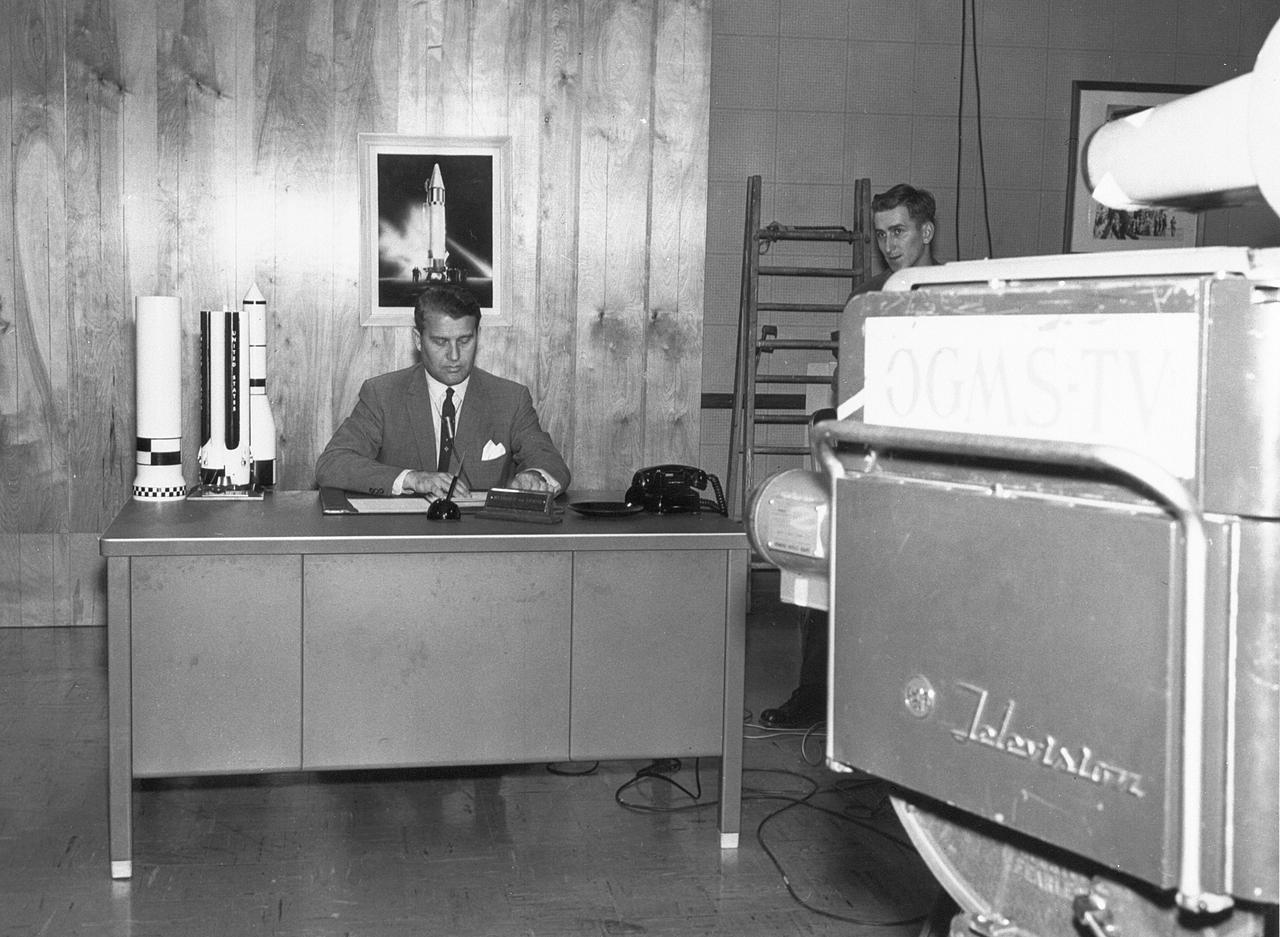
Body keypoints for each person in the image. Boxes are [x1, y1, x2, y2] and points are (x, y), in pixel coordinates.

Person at [759, 183, 938, 730]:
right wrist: (833, 422)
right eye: (881, 233)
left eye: (899, 231)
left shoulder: (955, 290)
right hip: (869, 458)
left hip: (928, 464)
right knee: (825, 567)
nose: (889, 243)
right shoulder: (868, 298)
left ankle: (907, 701)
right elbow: (851, 379)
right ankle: (815, 692)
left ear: (926, 231)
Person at [315, 283, 570, 498]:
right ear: (418, 339)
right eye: (440, 342)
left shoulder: (510, 399)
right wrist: (412, 479)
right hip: (402, 545)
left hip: (481, 543)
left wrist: (533, 477)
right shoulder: (382, 395)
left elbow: (550, 463)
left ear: (477, 336)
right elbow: (332, 464)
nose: (454, 355)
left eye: (464, 340)